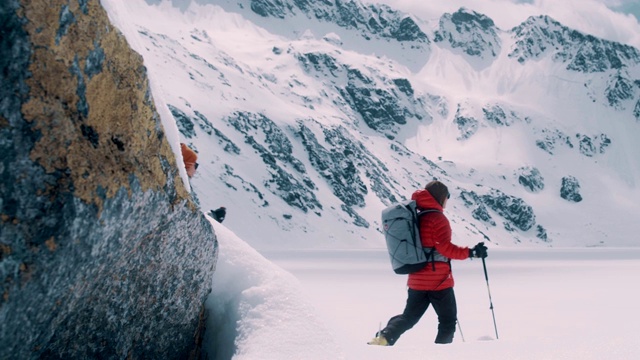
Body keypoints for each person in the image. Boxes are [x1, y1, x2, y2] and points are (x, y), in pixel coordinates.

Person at [369, 180, 488, 346]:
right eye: (447, 197)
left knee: (408, 318)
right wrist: (472, 252)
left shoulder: (416, 217)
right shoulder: (437, 219)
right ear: (440, 197)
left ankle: (384, 337)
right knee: (447, 321)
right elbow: (445, 249)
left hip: (417, 279)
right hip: (439, 282)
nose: (447, 201)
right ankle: (441, 354)